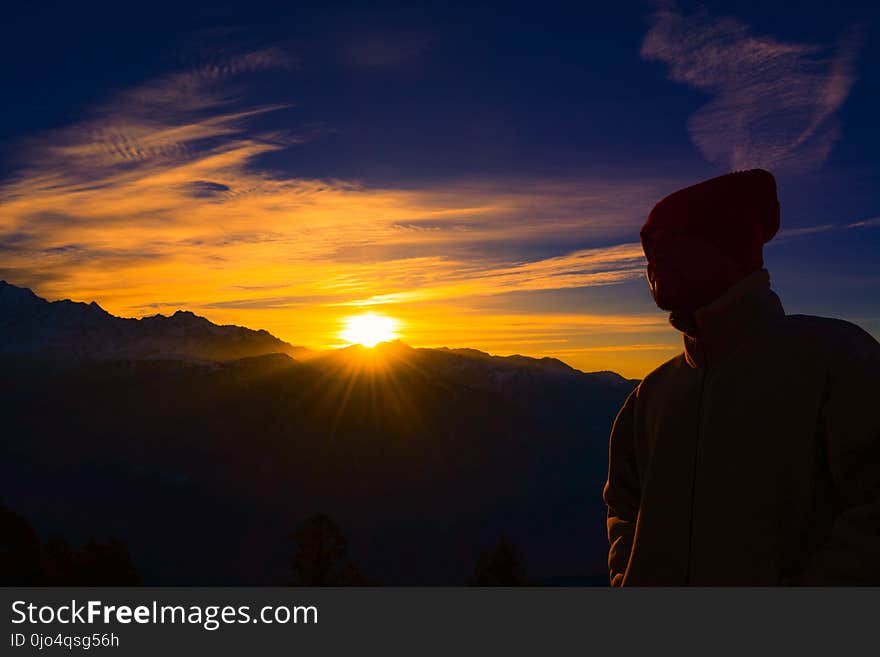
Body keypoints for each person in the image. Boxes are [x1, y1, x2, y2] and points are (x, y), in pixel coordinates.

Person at [603, 169, 880, 586]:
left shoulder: (838, 362)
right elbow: (624, 505)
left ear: (727, 246)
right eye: (649, 248)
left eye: (670, 241)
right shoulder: (650, 396)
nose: (652, 259)